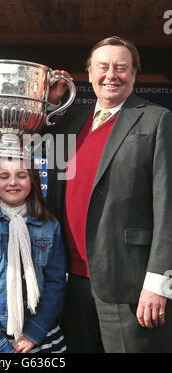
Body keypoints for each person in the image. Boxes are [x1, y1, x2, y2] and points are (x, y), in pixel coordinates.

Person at [45, 36, 172, 353]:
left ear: (134, 74)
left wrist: (159, 283)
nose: (111, 75)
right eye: (103, 67)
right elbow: (29, 144)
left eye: (121, 68)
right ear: (88, 74)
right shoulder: (71, 121)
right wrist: (47, 103)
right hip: (72, 280)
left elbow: (169, 206)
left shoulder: (158, 121)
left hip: (129, 283)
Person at [0, 156, 67, 353]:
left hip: (38, 334)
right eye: (4, 176)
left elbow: (56, 283)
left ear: (33, 180)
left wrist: (34, 333)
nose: (13, 182)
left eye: (21, 175)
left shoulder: (50, 226)